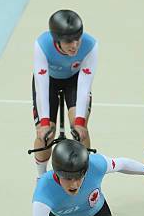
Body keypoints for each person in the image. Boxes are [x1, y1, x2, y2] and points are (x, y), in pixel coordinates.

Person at [32, 10, 97, 180]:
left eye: (77, 39)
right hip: (49, 83)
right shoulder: (42, 44)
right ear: (56, 40)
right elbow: (42, 85)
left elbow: (84, 85)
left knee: (79, 130)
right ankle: (41, 177)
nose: (74, 45)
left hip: (75, 82)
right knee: (45, 134)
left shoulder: (90, 45)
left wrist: (80, 122)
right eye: (68, 41)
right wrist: (45, 122)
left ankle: (86, 177)